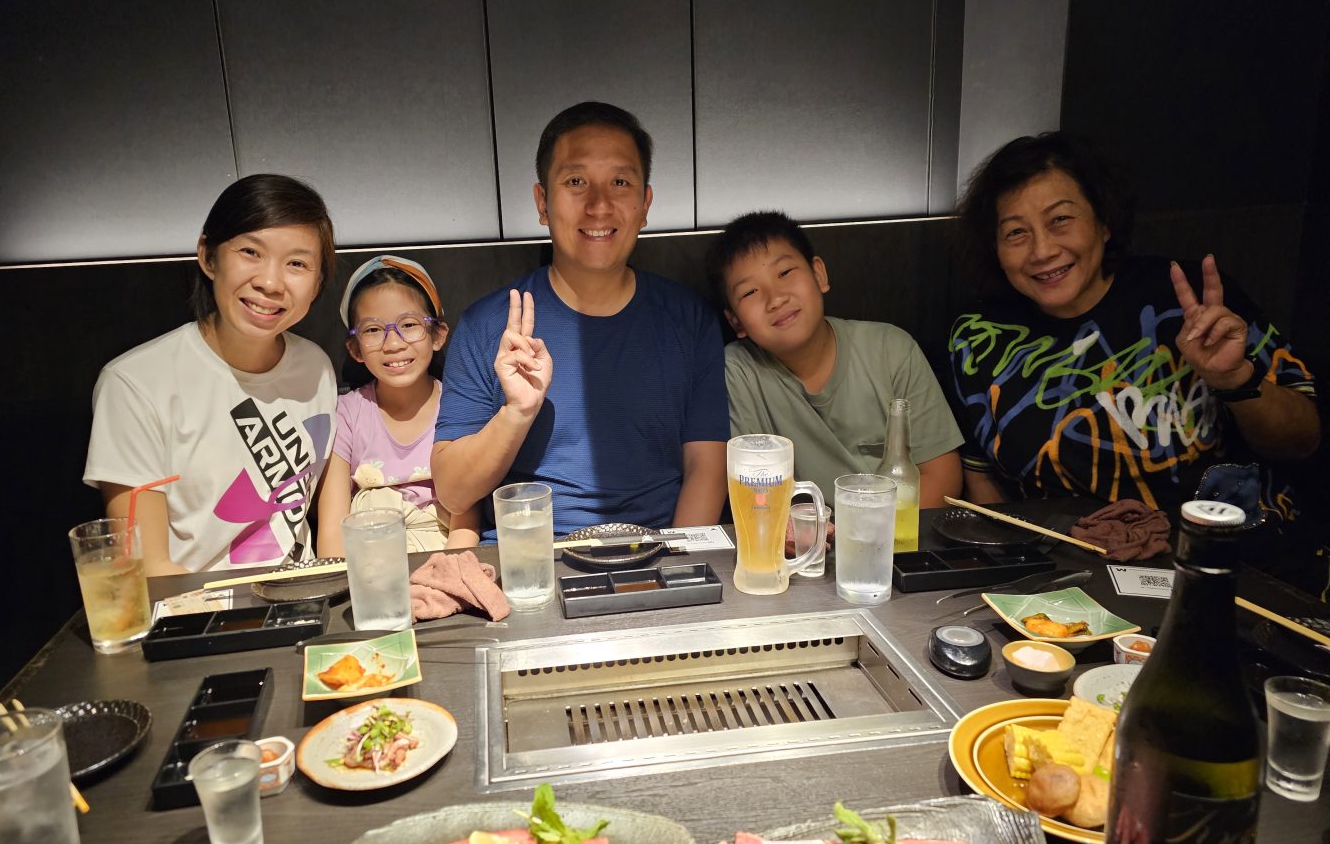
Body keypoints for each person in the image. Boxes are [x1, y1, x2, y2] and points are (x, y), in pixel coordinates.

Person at [948, 131, 1319, 522]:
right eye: (1016, 233)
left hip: (1222, 545)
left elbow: (1302, 441)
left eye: (1060, 220)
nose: (1042, 251)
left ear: (1104, 222)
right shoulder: (981, 336)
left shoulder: (1189, 300)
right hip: (1064, 554)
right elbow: (981, 478)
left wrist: (1235, 379)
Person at [432, 101, 729, 535]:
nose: (599, 205)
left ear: (645, 203)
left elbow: (707, 467)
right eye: (576, 181)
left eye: (620, 182)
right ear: (543, 202)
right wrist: (516, 412)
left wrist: (676, 561)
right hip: (529, 560)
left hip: (658, 552)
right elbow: (454, 493)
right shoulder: (487, 325)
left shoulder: (690, 321)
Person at [84, 174, 338, 575]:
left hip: (306, 595)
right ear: (208, 257)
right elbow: (147, 568)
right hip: (196, 605)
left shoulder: (315, 368)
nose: (270, 282)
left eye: (297, 264)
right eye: (251, 252)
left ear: (318, 282)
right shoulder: (135, 384)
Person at [706, 211, 963, 506]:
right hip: (800, 534)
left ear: (819, 275)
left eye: (785, 273)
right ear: (735, 321)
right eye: (750, 291)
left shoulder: (891, 350)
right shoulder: (736, 372)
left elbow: (942, 476)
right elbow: (755, 496)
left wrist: (863, 528)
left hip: (892, 530)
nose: (775, 298)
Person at [315, 255, 480, 554]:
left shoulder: (460, 407)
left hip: (445, 561)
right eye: (373, 330)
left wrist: (446, 573)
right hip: (368, 564)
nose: (393, 344)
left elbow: (466, 524)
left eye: (409, 324)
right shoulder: (346, 415)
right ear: (355, 348)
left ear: (438, 335)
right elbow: (332, 534)